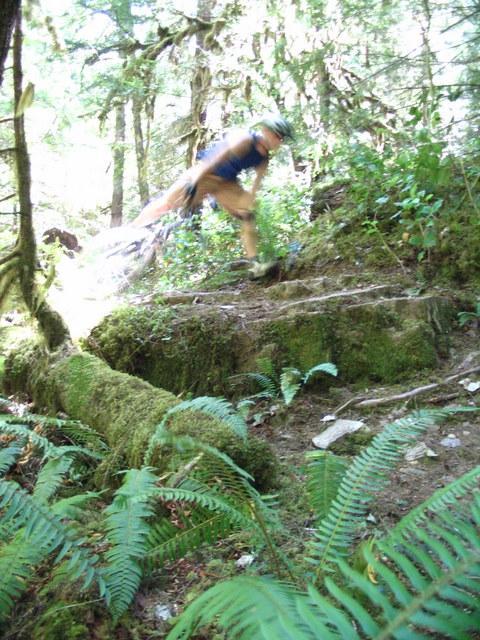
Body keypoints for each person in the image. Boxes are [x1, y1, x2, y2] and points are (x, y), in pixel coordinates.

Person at [132, 116, 294, 278]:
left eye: (283, 139)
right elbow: (214, 160)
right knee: (166, 204)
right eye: (278, 136)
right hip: (206, 173)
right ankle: (131, 231)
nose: (280, 142)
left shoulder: (264, 158)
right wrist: (194, 182)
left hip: (226, 184)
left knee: (247, 215)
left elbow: (256, 184)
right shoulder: (245, 140)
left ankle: (255, 264)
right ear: (266, 131)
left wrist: (247, 200)